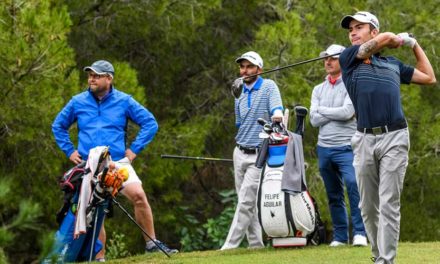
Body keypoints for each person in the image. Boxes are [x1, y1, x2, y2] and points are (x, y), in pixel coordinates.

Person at [52, 60, 178, 261]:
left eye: (97, 75)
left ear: (109, 78)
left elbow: (150, 123)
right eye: (90, 75)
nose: (91, 79)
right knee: (95, 210)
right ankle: (99, 257)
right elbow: (58, 126)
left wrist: (134, 150)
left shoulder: (124, 101)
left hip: (117, 162)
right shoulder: (77, 101)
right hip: (89, 164)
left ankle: (152, 244)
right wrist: (69, 151)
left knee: (138, 195)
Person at [339, 11, 436, 263]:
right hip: (363, 139)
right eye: (351, 29)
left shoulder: (393, 64)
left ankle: (386, 260)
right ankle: (377, 255)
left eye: (359, 27)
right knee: (368, 208)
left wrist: (413, 45)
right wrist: (392, 38)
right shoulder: (349, 58)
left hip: (395, 136)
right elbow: (377, 43)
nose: (352, 32)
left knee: (389, 202)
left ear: (373, 30)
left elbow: (429, 77)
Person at [221, 51, 283, 250]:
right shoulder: (238, 91)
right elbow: (240, 123)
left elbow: (276, 108)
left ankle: (229, 247)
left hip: (259, 153)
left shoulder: (268, 86)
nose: (244, 70)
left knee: (246, 201)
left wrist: (278, 115)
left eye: (249, 66)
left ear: (259, 69)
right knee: (245, 202)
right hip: (239, 152)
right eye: (242, 67)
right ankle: (256, 244)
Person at [310, 44, 367, 247]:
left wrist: (322, 110)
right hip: (324, 148)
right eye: (326, 58)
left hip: (347, 147)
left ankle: (360, 233)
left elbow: (347, 113)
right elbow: (313, 120)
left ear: (342, 60)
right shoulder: (318, 89)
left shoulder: (351, 83)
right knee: (333, 194)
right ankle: (341, 237)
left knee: (353, 187)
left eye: (333, 58)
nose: (328, 61)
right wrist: (332, 111)